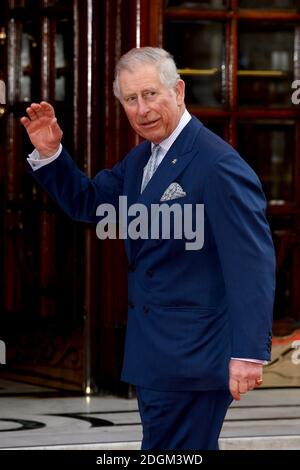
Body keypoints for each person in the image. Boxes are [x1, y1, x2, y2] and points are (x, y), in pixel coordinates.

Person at [21, 47, 275, 450]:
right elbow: (92, 204)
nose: (142, 109)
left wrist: (247, 353)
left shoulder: (217, 165)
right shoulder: (143, 159)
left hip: (195, 357)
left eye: (151, 94)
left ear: (178, 90)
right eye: (131, 99)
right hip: (156, 356)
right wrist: (52, 154)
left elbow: (252, 264)